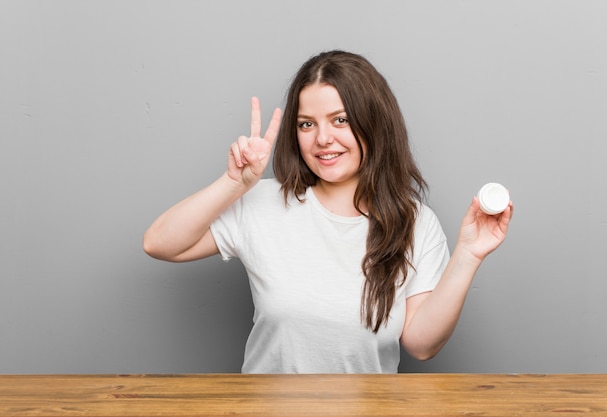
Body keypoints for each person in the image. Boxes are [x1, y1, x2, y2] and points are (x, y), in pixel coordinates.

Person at [143, 50, 513, 373]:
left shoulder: (415, 223)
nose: (322, 139)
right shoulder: (263, 203)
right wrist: (234, 184)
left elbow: (421, 343)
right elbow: (160, 243)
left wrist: (468, 254)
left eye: (340, 120)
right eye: (307, 124)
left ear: (374, 124)